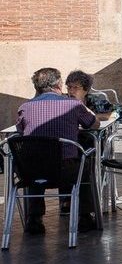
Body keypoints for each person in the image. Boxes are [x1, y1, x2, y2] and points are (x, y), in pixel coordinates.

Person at [16, 68, 101, 234]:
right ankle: (84, 217)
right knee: (85, 161)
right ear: (58, 85)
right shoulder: (73, 105)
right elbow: (94, 124)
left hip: (30, 173)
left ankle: (34, 218)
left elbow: (20, 130)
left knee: (37, 160)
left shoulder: (24, 108)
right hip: (65, 172)